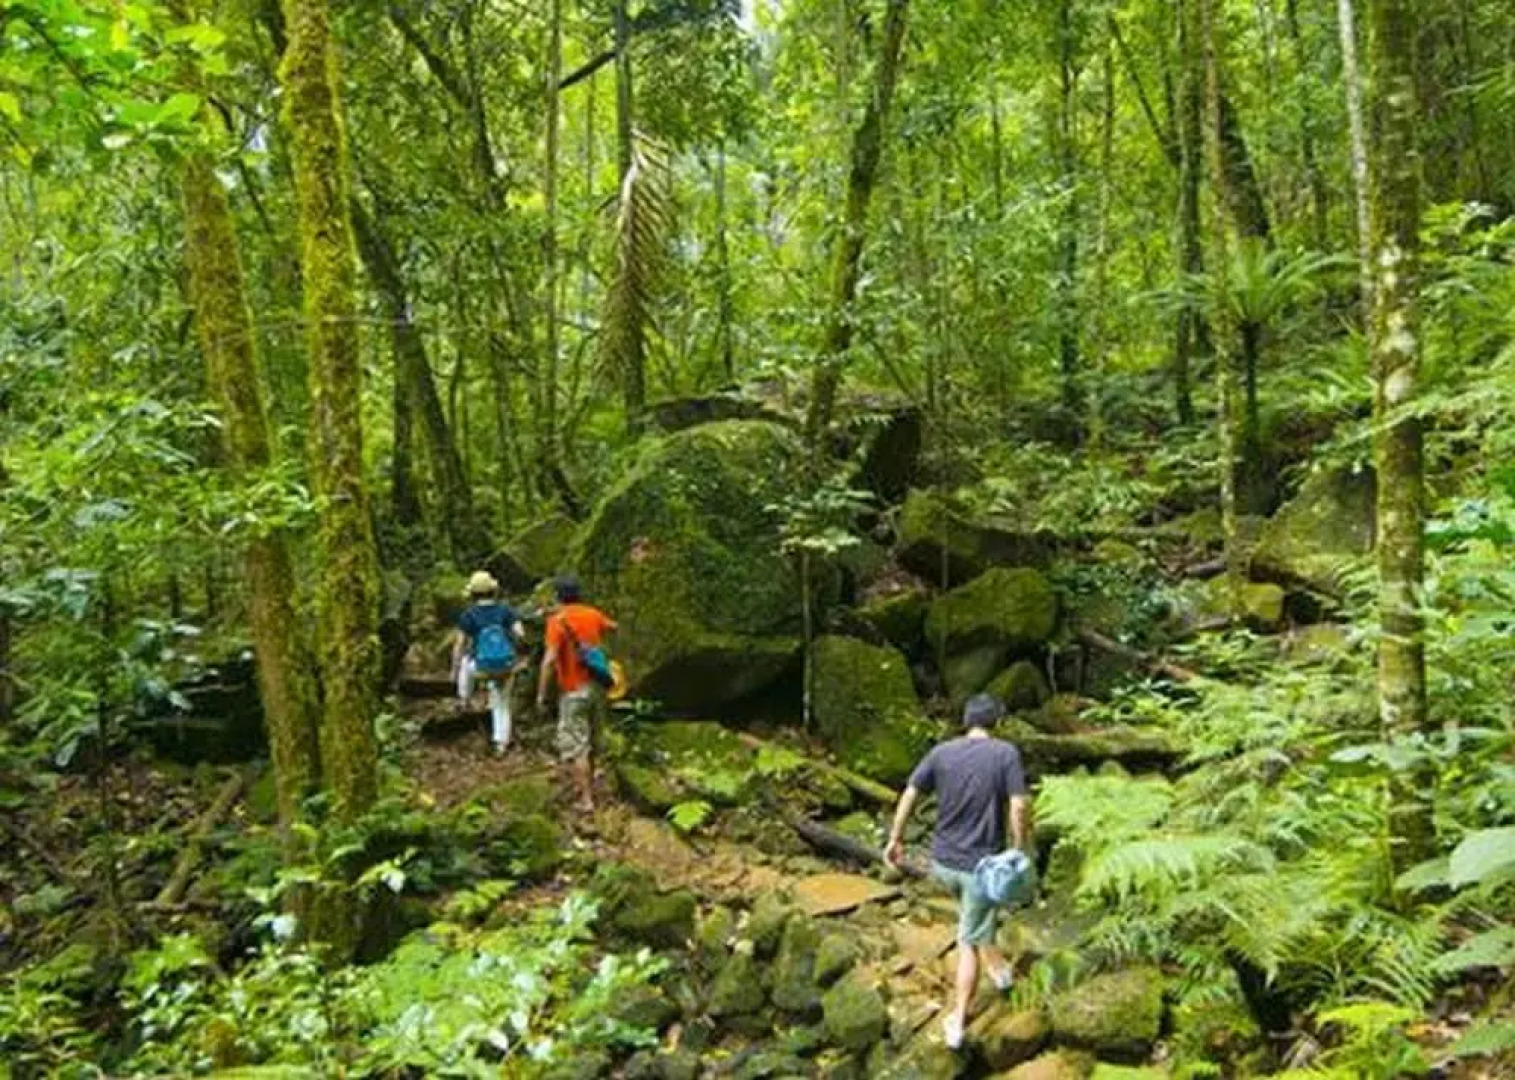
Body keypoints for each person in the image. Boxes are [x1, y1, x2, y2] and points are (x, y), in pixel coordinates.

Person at [885, 693, 1032, 1051]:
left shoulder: (942, 752)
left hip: (943, 862)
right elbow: (1019, 805)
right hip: (980, 867)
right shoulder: (1005, 753)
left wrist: (895, 837)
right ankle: (958, 1019)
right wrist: (1018, 847)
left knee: (974, 917)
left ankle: (999, 971)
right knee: (968, 939)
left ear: (966, 722)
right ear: (995, 722)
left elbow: (910, 792)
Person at [536, 575, 616, 813]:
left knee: (576, 745)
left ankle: (586, 799)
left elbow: (549, 661)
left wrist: (541, 695)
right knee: (593, 738)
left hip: (573, 689)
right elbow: (614, 627)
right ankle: (592, 785)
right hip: (598, 685)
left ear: (558, 597)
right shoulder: (592, 614)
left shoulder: (556, 622)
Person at [451, 570, 524, 756]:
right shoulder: (506, 611)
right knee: (502, 704)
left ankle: (464, 698)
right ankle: (501, 744)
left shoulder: (469, 615)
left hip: (481, 668)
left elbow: (459, 645)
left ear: (473, 594)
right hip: (506, 666)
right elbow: (520, 634)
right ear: (494, 591)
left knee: (466, 661)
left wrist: (454, 669)